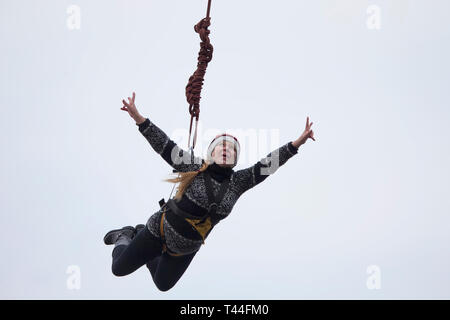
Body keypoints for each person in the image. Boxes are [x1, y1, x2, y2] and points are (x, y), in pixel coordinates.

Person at [103, 92, 316, 291]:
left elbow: (267, 165)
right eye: (221, 147)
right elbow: (164, 146)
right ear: (211, 153)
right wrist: (139, 118)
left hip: (185, 249)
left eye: (232, 149)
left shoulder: (239, 182)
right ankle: (127, 234)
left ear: (235, 160)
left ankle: (141, 236)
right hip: (159, 231)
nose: (226, 150)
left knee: (162, 284)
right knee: (119, 269)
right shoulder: (194, 167)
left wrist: (297, 143)